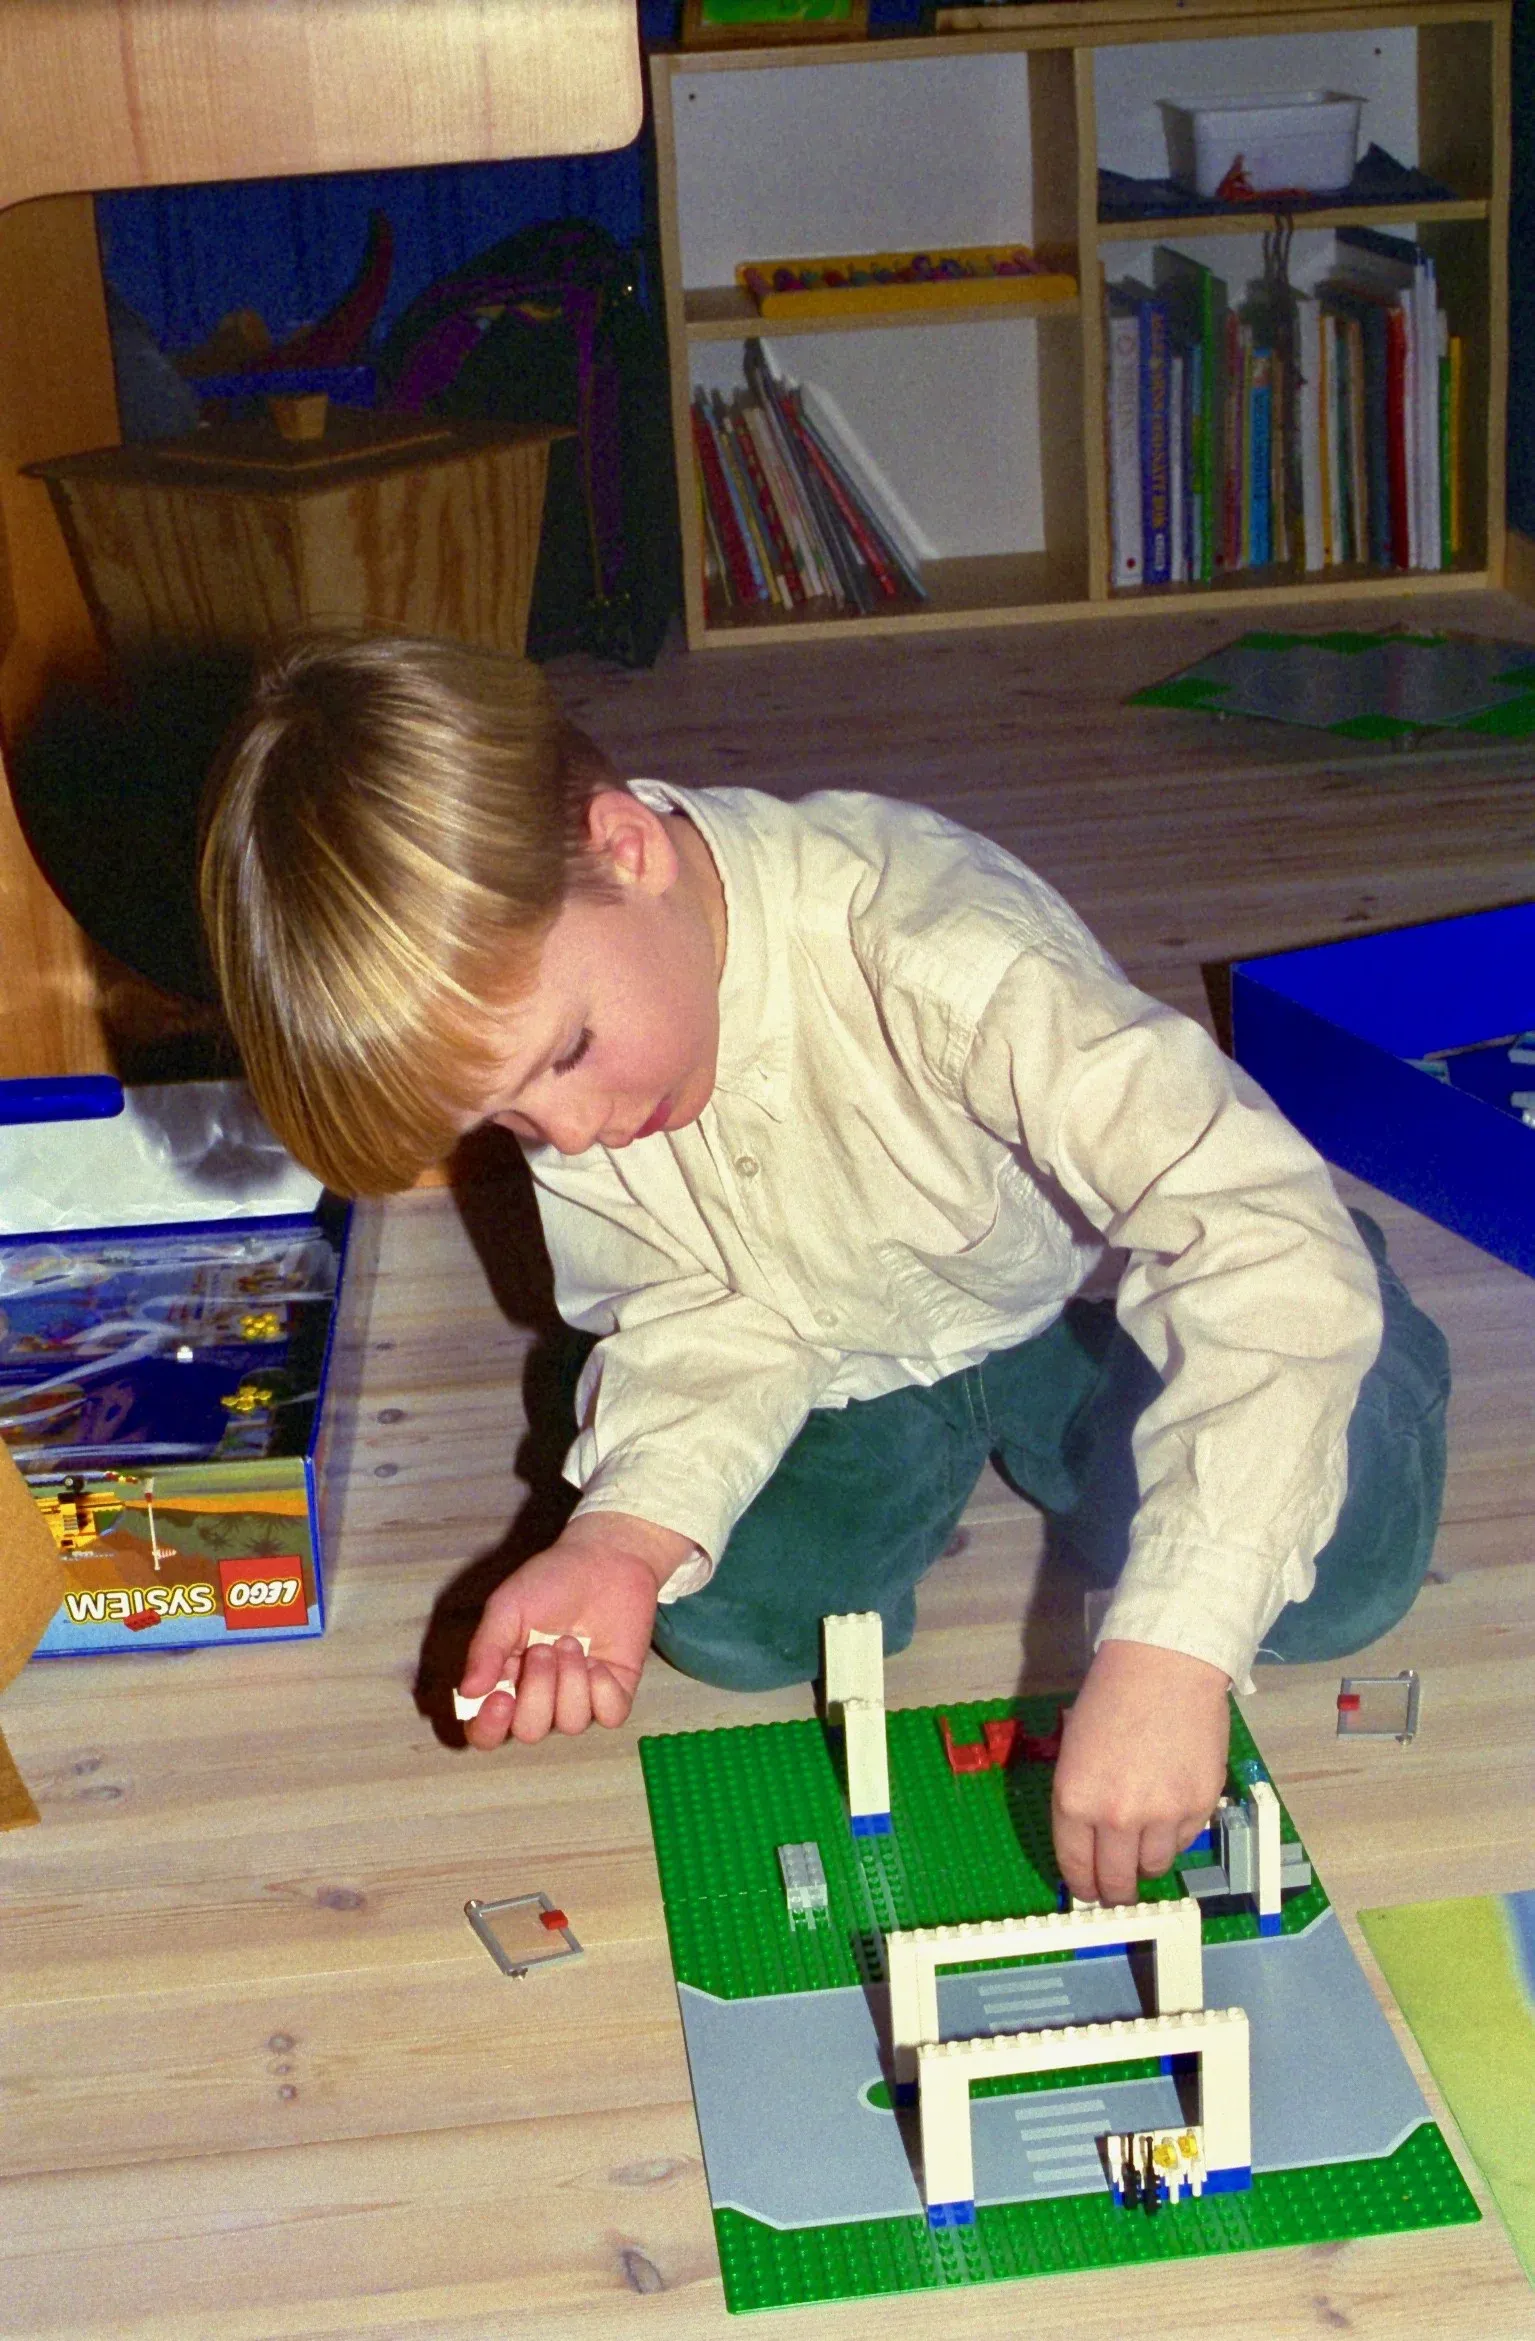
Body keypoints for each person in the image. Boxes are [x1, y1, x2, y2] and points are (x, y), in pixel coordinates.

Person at [199, 631, 1449, 1906]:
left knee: (1330, 1571)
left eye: (565, 1056)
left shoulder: (937, 950)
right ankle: (881, 1464)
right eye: (507, 1120)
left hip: (1087, 1298)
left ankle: (1348, 1312)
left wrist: (1173, 1646)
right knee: (726, 1619)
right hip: (850, 1344)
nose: (565, 1135)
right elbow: (699, 1305)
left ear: (625, 848)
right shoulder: (584, 1053)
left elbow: (1235, 1221)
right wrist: (620, 1538)